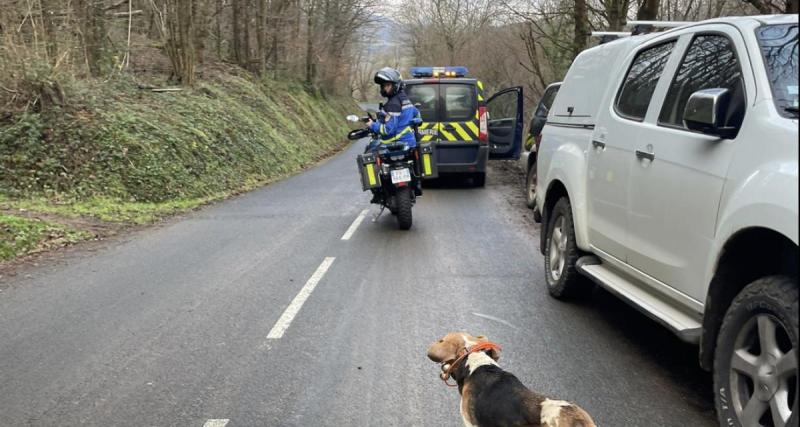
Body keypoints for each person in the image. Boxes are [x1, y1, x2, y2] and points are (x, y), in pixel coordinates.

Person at [365, 67, 421, 153]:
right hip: (410, 143)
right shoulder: (404, 99)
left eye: (388, 85)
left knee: (369, 152)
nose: (385, 88)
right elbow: (417, 113)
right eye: (383, 85)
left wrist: (372, 125)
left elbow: (389, 129)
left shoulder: (393, 104)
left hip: (394, 144)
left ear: (396, 85)